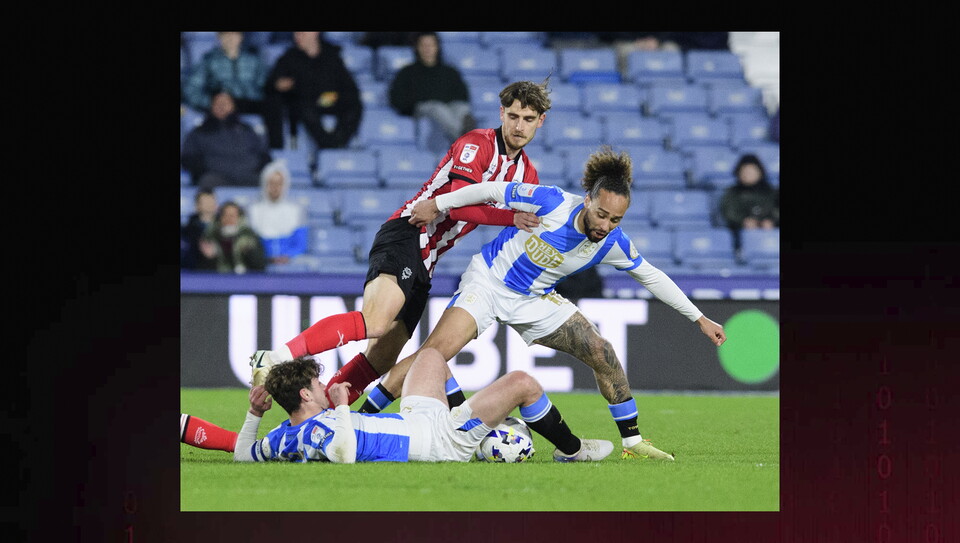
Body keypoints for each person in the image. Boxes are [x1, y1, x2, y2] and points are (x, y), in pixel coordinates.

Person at [363, 146, 728, 461]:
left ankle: (632, 441)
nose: (605, 225)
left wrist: (699, 318)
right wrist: (438, 203)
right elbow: (491, 189)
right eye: (601, 214)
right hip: (489, 283)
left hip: (534, 299)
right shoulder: (551, 201)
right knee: (434, 354)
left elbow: (652, 276)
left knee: (602, 351)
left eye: (615, 220)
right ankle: (362, 416)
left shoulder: (612, 242)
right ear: (588, 200)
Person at [248, 80, 552, 413]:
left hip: (428, 259)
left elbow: (522, 222)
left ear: (541, 121)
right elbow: (460, 205)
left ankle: (322, 414)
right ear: (501, 114)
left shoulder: (528, 174)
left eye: (528, 118)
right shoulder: (476, 145)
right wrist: (512, 219)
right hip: (408, 232)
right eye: (513, 116)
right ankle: (276, 357)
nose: (519, 125)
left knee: (383, 356)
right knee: (376, 321)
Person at [235, 348, 613, 462]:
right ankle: (573, 450)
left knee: (430, 356)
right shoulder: (323, 429)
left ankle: (475, 426)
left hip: (418, 419)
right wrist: (342, 406)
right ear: (304, 395)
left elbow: (243, 456)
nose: (325, 386)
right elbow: (344, 451)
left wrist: (254, 415)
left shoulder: (283, 434)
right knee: (523, 383)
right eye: (317, 384)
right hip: (438, 442)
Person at [262, 31, 363, 151]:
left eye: (301, 34)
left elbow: (348, 86)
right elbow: (272, 84)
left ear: (314, 33)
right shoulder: (290, 57)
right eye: (295, 34)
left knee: (353, 104)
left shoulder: (331, 54)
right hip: (305, 102)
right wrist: (279, 84)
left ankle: (339, 142)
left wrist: (336, 95)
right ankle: (327, 145)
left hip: (328, 99)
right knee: (302, 107)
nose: (297, 37)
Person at [388, 32, 475, 152]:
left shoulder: (450, 72)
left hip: (449, 110)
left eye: (431, 45)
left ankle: (466, 137)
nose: (427, 49)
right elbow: (397, 98)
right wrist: (411, 107)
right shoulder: (407, 73)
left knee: (462, 108)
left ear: (437, 47)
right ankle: (467, 139)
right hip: (421, 108)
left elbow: (463, 96)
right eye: (423, 45)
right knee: (436, 107)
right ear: (417, 48)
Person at [180, 90, 272, 188]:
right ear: (211, 106)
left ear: (233, 106)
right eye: (218, 103)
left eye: (225, 103)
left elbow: (264, 156)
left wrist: (254, 167)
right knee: (206, 182)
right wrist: (205, 168)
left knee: (266, 183)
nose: (222, 106)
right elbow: (187, 158)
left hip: (247, 175)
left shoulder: (247, 130)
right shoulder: (199, 132)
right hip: (214, 177)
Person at [182, 31, 268, 115]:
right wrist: (210, 102)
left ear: (241, 37)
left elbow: (266, 87)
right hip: (219, 106)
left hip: (249, 103)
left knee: (273, 104)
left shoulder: (254, 61)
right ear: (219, 37)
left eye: (234, 34)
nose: (230, 38)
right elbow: (191, 88)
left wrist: (254, 97)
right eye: (226, 35)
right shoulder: (209, 60)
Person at [247, 160, 309, 266]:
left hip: (291, 262)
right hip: (261, 261)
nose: (275, 188)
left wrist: (287, 256)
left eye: (279, 183)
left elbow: (300, 244)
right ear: (264, 184)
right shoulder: (253, 210)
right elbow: (250, 242)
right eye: (271, 183)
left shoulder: (296, 210)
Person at [719, 153, 779, 255]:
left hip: (772, 235)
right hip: (739, 235)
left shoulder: (771, 192)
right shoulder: (732, 193)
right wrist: (743, 222)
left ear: (760, 172)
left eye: (752, 171)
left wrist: (771, 221)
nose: (748, 174)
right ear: (738, 173)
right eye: (745, 171)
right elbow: (729, 213)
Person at [197, 201, 268, 274]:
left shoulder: (250, 237)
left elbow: (260, 266)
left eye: (232, 216)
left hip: (244, 281)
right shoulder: (210, 236)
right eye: (225, 215)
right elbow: (198, 270)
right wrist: (209, 258)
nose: (229, 219)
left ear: (239, 218)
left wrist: (251, 253)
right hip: (217, 281)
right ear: (220, 218)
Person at [181, 187, 218, 269]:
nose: (209, 204)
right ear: (197, 206)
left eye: (211, 201)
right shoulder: (186, 231)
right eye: (206, 202)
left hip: (221, 274)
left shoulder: (224, 228)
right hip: (194, 273)